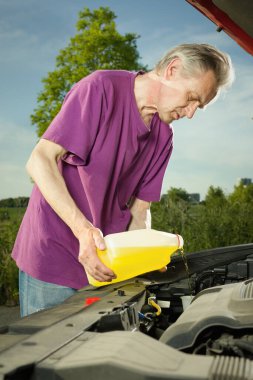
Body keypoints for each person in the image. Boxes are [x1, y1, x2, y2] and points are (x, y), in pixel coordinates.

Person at [12, 43, 234, 317]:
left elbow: (140, 212)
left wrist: (146, 254)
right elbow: (40, 160)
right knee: (44, 354)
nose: (190, 113)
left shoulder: (164, 137)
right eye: (191, 98)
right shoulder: (100, 88)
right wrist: (83, 231)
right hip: (54, 256)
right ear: (172, 69)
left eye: (198, 107)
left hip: (107, 266)